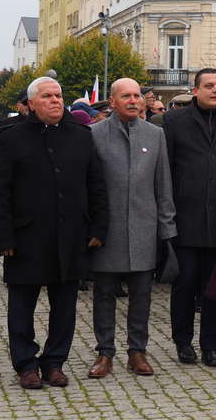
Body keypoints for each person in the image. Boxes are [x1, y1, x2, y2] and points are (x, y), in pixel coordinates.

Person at [0, 77, 108, 389]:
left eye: (58, 95)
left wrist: (98, 227)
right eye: (47, 96)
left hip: (71, 235)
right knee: (22, 305)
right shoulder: (12, 137)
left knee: (65, 305)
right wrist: (2, 237)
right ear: (31, 103)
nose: (55, 101)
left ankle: (54, 362)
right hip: (26, 236)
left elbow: (96, 184)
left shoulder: (80, 135)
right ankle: (26, 364)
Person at [87, 78, 177, 379]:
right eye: (126, 96)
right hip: (106, 231)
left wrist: (166, 228)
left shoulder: (155, 135)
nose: (133, 101)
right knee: (104, 294)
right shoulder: (94, 134)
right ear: (112, 101)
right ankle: (105, 352)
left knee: (142, 295)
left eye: (137, 95)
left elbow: (163, 186)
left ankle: (137, 352)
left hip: (144, 229)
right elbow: (87, 186)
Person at [163, 68, 216, 367]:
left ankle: (211, 345)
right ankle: (183, 342)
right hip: (185, 221)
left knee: (215, 289)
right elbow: (166, 170)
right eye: (209, 85)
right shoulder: (175, 122)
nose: (215, 90)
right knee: (184, 286)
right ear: (195, 90)